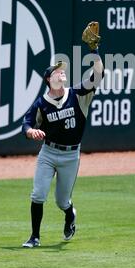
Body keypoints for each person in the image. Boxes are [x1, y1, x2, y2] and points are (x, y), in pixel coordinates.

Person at [21, 22, 103, 248]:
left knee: (61, 200)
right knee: (38, 194)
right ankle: (34, 237)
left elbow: (97, 76)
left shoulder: (77, 94)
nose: (62, 72)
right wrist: (31, 131)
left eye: (63, 69)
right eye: (57, 70)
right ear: (49, 79)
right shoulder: (42, 103)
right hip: (48, 152)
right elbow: (26, 124)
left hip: (70, 156)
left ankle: (70, 214)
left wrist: (94, 51)